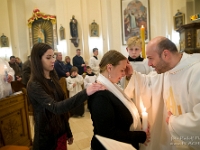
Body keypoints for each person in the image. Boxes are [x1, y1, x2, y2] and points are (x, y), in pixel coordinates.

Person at [124, 36, 200, 150]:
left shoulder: (196, 71)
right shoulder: (167, 69)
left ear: (165, 54)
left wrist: (174, 122)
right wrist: (132, 75)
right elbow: (148, 82)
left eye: (150, 58)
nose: (148, 64)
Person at [27, 43, 105, 150]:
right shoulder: (34, 85)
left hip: (60, 132)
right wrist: (85, 92)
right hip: (47, 137)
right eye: (48, 57)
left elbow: (62, 107)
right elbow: (56, 108)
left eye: (53, 56)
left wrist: (67, 131)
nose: (53, 60)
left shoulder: (53, 78)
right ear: (37, 59)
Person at [88, 50, 150, 150]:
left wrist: (140, 120)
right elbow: (108, 133)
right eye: (122, 70)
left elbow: (122, 113)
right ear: (109, 68)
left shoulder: (112, 87)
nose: (124, 74)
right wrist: (141, 136)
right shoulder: (100, 95)